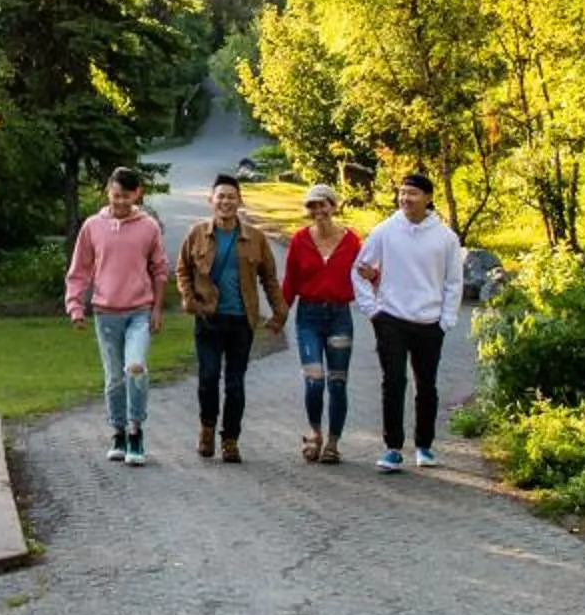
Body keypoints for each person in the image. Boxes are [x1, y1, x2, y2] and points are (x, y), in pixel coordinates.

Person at [351, 169, 464, 473]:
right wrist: (372, 309)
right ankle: (392, 448)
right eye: (402, 192)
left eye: (412, 194)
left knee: (426, 385)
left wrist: (447, 320)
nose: (406, 198)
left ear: (428, 199)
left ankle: (425, 445)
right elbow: (360, 268)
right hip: (392, 319)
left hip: (430, 322)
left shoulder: (446, 238)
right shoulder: (386, 230)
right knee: (394, 381)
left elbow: (454, 282)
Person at [66, 166, 170, 465]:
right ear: (108, 193)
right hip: (105, 312)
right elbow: (79, 270)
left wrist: (158, 309)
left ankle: (136, 430)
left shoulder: (148, 227)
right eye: (115, 196)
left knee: (135, 368)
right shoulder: (92, 226)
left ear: (137, 194)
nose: (120, 202)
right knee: (114, 378)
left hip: (139, 311)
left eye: (126, 196)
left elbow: (160, 270)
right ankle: (118, 432)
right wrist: (75, 306)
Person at [174, 173, 279, 461]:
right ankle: (207, 428)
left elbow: (269, 277)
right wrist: (188, 296)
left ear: (240, 201)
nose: (226, 201)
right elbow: (182, 268)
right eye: (220, 196)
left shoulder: (255, 238)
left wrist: (279, 312)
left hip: (241, 321)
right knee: (208, 377)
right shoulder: (197, 234)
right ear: (211, 200)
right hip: (208, 318)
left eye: (231, 196)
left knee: (235, 384)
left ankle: (230, 439)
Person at [283, 182, 362, 465]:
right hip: (309, 316)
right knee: (314, 380)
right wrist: (280, 314)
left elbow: (365, 275)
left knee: (337, 383)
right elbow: (290, 281)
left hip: (340, 316)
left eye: (323, 204)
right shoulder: (300, 240)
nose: (318, 211)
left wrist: (374, 288)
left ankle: (333, 443)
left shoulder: (351, 240)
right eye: (312, 206)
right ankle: (314, 433)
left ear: (333, 205)